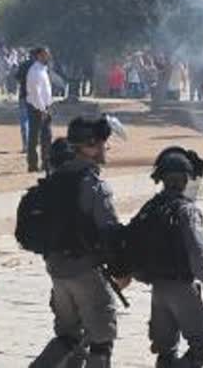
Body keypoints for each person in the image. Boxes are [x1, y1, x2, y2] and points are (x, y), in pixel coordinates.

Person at [31, 116, 126, 368]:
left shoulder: (55, 179)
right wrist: (122, 270)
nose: (107, 149)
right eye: (104, 144)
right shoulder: (93, 185)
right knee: (101, 341)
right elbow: (110, 234)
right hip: (86, 271)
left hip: (57, 271)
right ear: (91, 146)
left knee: (67, 337)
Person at [124, 147, 203, 367]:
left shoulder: (151, 207)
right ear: (186, 179)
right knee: (200, 347)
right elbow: (197, 248)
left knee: (165, 351)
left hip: (157, 288)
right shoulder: (187, 210)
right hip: (182, 286)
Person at [26, 48, 53, 173]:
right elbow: (35, 93)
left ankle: (46, 163)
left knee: (46, 137)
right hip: (37, 108)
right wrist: (42, 109)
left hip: (45, 107)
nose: (48, 57)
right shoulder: (34, 71)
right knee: (34, 138)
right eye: (45, 55)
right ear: (39, 56)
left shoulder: (43, 70)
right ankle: (32, 164)